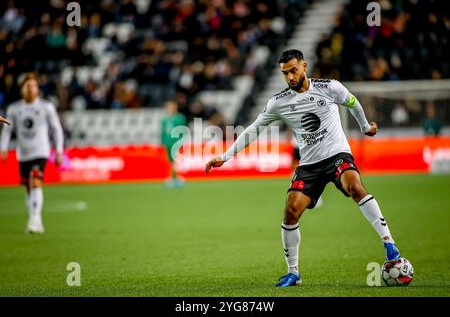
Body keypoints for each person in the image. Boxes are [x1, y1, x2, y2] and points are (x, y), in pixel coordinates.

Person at [205, 49, 401, 287]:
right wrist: (225, 156)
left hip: (336, 154)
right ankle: (293, 273)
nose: (289, 77)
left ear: (305, 66)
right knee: (290, 211)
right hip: (309, 164)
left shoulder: (330, 88)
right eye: (284, 73)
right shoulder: (278, 102)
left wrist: (364, 127)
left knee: (354, 186)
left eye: (293, 70)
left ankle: (389, 243)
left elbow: (352, 102)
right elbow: (254, 129)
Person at [1, 73, 64, 234]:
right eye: (27, 86)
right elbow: (7, 131)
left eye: (33, 86)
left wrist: (58, 150)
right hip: (23, 154)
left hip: (41, 151)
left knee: (35, 180)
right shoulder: (14, 108)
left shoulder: (46, 107)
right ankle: (36, 219)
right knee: (29, 187)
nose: (30, 89)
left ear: (37, 89)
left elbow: (56, 129)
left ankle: (34, 220)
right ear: (22, 89)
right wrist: (3, 148)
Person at [161, 100, 187, 188]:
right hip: (168, 143)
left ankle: (174, 178)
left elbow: (182, 130)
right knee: (170, 161)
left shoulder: (180, 117)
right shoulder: (165, 119)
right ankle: (174, 178)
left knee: (175, 161)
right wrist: (163, 142)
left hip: (176, 142)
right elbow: (163, 132)